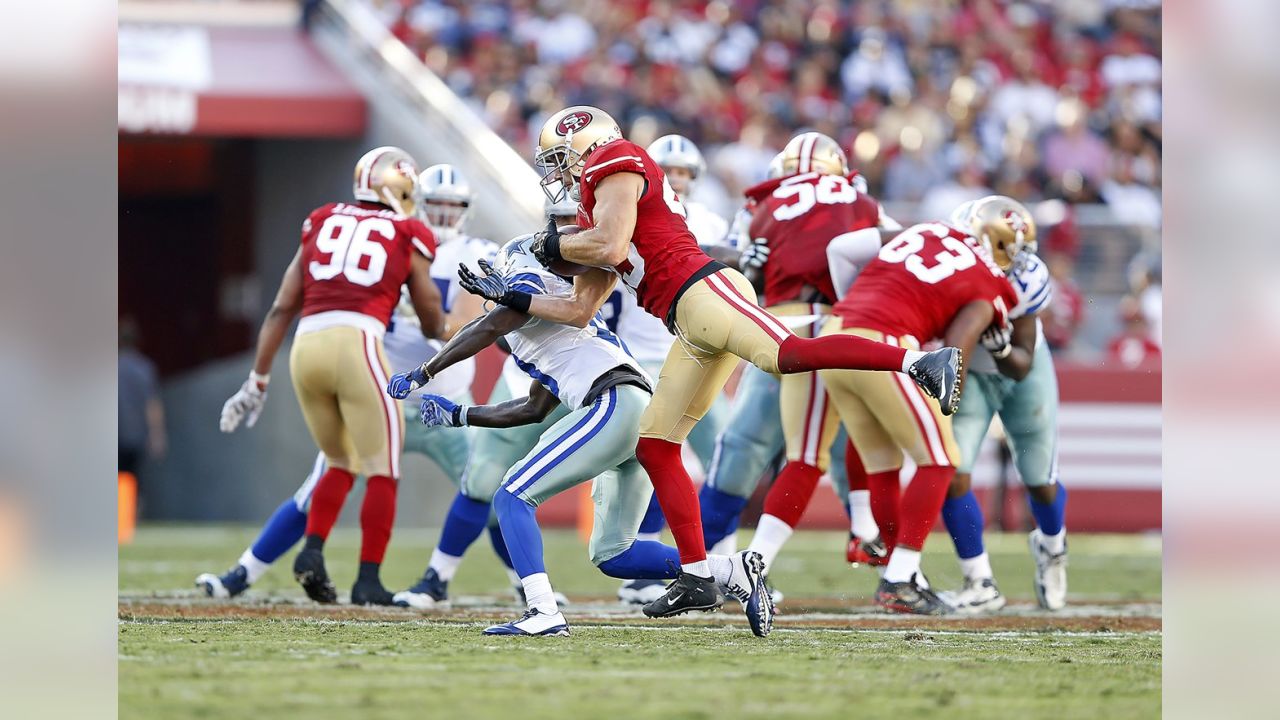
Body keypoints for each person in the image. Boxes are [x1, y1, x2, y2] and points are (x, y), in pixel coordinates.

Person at [470, 105, 962, 618]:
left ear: (583, 144)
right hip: (686, 319)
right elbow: (579, 309)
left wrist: (551, 243)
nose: (556, 172)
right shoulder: (595, 210)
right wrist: (515, 299)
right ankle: (700, 576)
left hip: (705, 291)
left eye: (557, 158)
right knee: (656, 446)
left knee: (787, 356)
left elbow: (610, 243)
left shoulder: (614, 159)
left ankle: (919, 364)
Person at [387, 234, 772, 637]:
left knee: (511, 496)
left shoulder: (532, 298)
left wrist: (423, 372)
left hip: (614, 401)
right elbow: (530, 409)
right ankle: (730, 569)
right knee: (614, 554)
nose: (490, 296)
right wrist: (461, 415)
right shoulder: (550, 331)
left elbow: (490, 324)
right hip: (634, 410)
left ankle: (542, 611)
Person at [198, 165, 498, 601]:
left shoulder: (473, 250)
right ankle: (242, 574)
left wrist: (433, 321)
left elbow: (465, 324)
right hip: (380, 386)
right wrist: (427, 317)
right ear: (414, 200)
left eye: (454, 207)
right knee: (317, 488)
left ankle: (524, 585)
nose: (444, 215)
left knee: (488, 489)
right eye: (436, 204)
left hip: (445, 401)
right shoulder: (403, 233)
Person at [817, 197, 1021, 614]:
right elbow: (957, 347)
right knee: (942, 459)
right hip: (885, 345)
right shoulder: (990, 282)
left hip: (835, 335)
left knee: (883, 466)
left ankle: (900, 574)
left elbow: (845, 252)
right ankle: (899, 579)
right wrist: (949, 403)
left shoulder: (926, 231)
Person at [730, 132, 899, 576]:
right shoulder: (859, 201)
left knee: (779, 451)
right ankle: (886, 557)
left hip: (781, 328)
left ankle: (740, 556)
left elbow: (740, 273)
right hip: (843, 329)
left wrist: (751, 267)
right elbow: (898, 252)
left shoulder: (765, 203)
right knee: (874, 440)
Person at [612, 134, 734, 604]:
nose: (678, 179)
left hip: (693, 347)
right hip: (639, 353)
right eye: (671, 171)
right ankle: (644, 566)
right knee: (650, 456)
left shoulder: (707, 219)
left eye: (686, 172)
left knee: (726, 457)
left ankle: (724, 561)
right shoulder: (625, 211)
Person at [938, 198, 1070, 613]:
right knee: (951, 473)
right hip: (969, 373)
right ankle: (979, 579)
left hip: (1019, 371)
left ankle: (1052, 547)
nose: (1018, 259)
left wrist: (1000, 347)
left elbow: (1021, 364)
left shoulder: (1028, 277)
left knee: (1040, 480)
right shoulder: (944, 267)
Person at [118, 318, 165, 501]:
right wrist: (157, 435)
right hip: (136, 434)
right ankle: (130, 519)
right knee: (134, 479)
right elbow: (152, 404)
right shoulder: (145, 369)